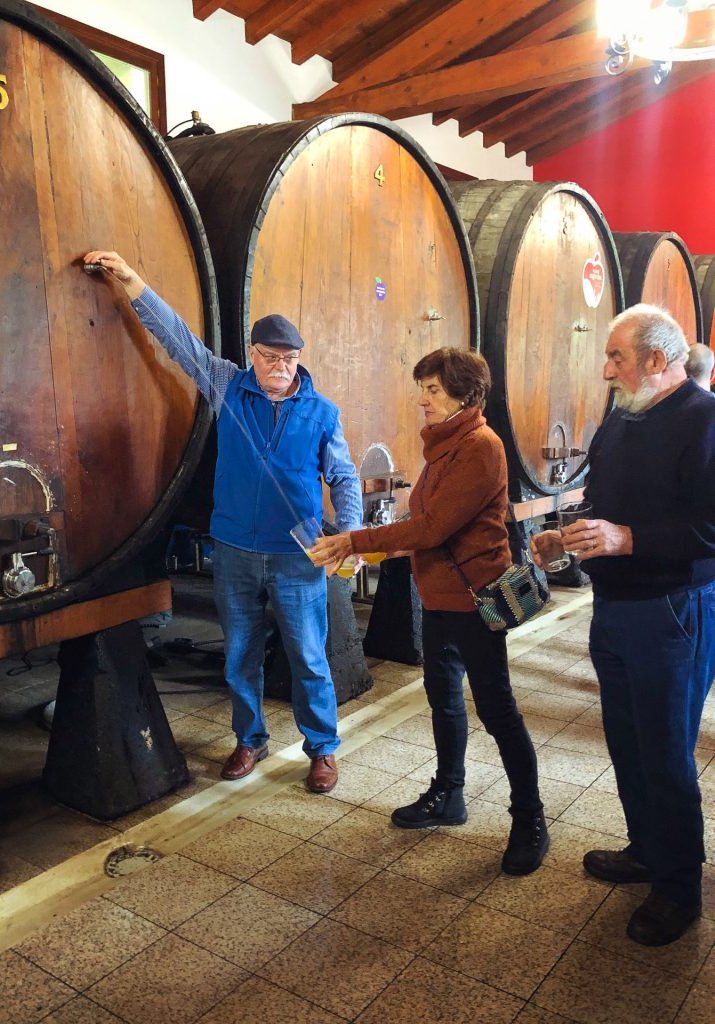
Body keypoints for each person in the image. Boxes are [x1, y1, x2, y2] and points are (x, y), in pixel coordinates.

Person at [83, 250, 363, 794]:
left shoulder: (322, 412)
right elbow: (178, 338)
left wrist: (348, 534)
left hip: (296, 556)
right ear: (250, 354)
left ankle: (323, 749)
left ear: (300, 359)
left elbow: (346, 477)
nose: (279, 367)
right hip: (233, 549)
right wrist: (132, 279)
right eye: (269, 356)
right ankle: (249, 738)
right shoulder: (227, 386)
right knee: (239, 653)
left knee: (308, 655)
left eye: (289, 358)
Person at [311, 348, 549, 876]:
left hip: (475, 602)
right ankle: (449, 794)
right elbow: (423, 524)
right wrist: (374, 545)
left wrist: (354, 540)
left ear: (468, 394)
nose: (422, 398)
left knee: (498, 711)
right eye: (422, 387)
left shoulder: (480, 447)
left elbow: (432, 528)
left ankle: (530, 819)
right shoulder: (444, 445)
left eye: (434, 389)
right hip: (439, 598)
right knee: (444, 701)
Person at [531, 303, 715, 946]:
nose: (606, 369)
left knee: (664, 749)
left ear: (658, 361)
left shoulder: (704, 419)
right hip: (613, 606)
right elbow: (602, 506)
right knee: (626, 738)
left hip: (672, 608)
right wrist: (565, 539)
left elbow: (710, 530)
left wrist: (629, 537)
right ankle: (647, 849)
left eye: (617, 357)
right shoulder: (623, 419)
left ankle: (678, 887)